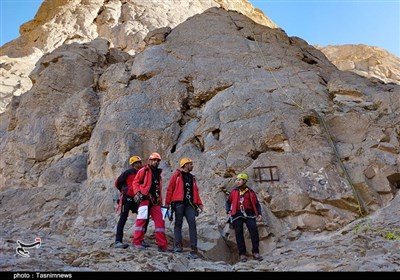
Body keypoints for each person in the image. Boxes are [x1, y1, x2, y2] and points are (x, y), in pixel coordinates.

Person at [165, 158, 204, 259]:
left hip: (190, 204)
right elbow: (170, 189)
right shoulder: (177, 175)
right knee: (178, 223)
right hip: (178, 203)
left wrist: (199, 204)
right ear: (185, 165)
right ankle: (178, 246)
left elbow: (196, 192)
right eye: (190, 164)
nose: (192, 166)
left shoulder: (192, 178)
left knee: (192, 223)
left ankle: (194, 248)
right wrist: (167, 204)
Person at [131, 152, 169, 252]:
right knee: (142, 219)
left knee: (160, 221)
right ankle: (137, 241)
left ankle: (162, 245)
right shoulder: (144, 170)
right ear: (150, 161)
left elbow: (158, 189)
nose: (156, 162)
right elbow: (135, 182)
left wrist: (161, 202)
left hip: (155, 201)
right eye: (154, 160)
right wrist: (137, 192)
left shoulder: (158, 174)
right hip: (145, 198)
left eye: (158, 160)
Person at [226, 173, 263, 262]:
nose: (237, 182)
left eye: (239, 180)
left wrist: (259, 213)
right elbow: (228, 202)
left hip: (249, 213)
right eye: (237, 180)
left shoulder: (250, 192)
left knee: (253, 230)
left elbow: (256, 203)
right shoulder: (234, 192)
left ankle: (255, 252)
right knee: (239, 232)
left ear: (244, 181)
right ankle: (242, 254)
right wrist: (228, 210)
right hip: (237, 213)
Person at [114, 155, 143, 249]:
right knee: (123, 218)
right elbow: (117, 182)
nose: (139, 164)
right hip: (127, 198)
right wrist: (124, 190)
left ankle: (140, 238)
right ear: (133, 164)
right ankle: (118, 241)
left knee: (143, 216)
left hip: (136, 199)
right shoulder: (128, 172)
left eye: (140, 163)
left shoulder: (142, 173)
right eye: (137, 163)